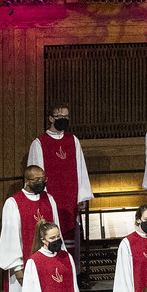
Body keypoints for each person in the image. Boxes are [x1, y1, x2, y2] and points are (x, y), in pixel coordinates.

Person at [0, 167, 61, 292]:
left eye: (43, 178)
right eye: (36, 179)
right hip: (23, 263)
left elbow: (56, 228)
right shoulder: (13, 203)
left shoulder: (49, 199)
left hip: (47, 262)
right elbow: (10, 235)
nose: (41, 182)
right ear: (26, 180)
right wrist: (17, 266)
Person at [27, 104, 93, 252]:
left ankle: (70, 265)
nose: (63, 119)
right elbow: (34, 174)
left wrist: (82, 196)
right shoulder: (39, 143)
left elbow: (81, 168)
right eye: (60, 116)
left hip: (70, 199)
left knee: (70, 236)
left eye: (66, 116)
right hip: (50, 198)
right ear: (51, 118)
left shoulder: (73, 140)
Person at [17, 219, 85, 292]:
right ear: (43, 240)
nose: (57, 240)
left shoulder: (66, 257)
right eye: (52, 238)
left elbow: (74, 286)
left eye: (58, 236)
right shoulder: (35, 261)